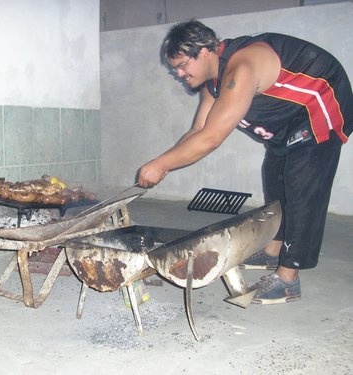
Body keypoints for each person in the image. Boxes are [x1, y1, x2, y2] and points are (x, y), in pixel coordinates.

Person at [137, 20, 352, 305]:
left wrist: (161, 165)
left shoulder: (240, 68)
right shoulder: (211, 84)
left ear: (204, 52)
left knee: (301, 186)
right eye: (173, 69)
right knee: (275, 175)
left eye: (181, 65)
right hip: (289, 119)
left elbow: (211, 138)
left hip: (323, 100)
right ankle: (274, 250)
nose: (178, 74)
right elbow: (198, 130)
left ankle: (288, 279)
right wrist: (163, 162)